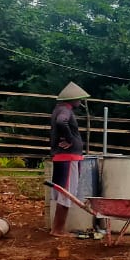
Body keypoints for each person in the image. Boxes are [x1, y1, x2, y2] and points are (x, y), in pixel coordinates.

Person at [49, 81, 89, 237]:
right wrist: (71, 139)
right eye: (78, 98)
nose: (80, 101)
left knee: (64, 192)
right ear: (72, 99)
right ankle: (58, 230)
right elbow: (61, 121)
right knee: (67, 193)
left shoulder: (60, 109)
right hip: (68, 157)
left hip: (65, 157)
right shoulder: (65, 111)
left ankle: (57, 228)